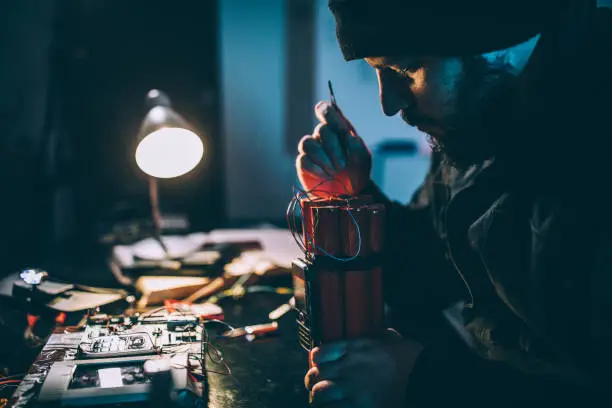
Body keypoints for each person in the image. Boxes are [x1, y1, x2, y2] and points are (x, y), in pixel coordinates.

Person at [296, 0, 612, 406]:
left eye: (404, 70)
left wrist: (424, 383)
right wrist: (356, 197)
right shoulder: (484, 116)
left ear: (495, 37)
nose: (389, 105)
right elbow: (430, 273)